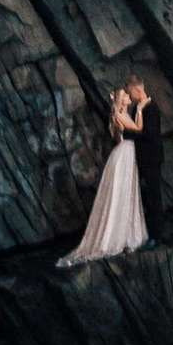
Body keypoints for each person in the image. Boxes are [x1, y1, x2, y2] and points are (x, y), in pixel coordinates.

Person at [56, 85, 148, 266]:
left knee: (125, 193)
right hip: (125, 153)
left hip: (125, 152)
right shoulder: (119, 114)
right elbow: (138, 129)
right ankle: (118, 236)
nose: (128, 96)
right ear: (120, 100)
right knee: (122, 193)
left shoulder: (119, 113)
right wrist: (140, 109)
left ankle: (126, 233)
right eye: (125, 95)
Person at [133, 80, 165, 245]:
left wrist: (134, 130)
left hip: (151, 158)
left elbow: (150, 133)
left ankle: (156, 234)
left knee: (154, 197)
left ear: (138, 90)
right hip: (142, 159)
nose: (130, 96)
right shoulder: (137, 109)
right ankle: (149, 232)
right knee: (146, 198)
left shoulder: (151, 108)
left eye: (131, 92)